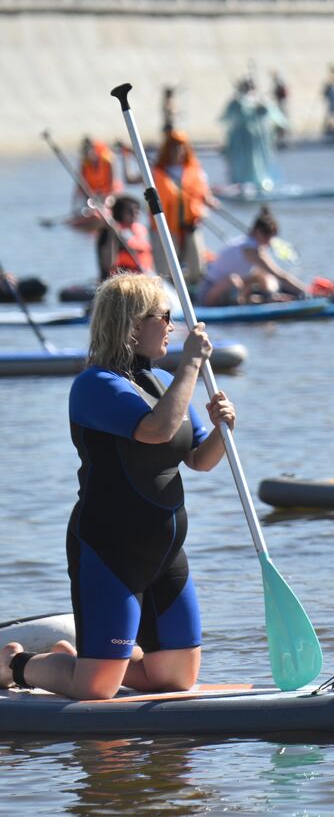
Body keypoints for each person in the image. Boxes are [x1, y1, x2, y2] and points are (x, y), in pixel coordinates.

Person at [0, 273, 234, 700]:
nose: (171, 325)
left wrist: (223, 428)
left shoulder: (161, 384)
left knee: (176, 678)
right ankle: (17, 664)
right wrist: (191, 365)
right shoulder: (95, 385)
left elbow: (200, 461)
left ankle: (80, 658)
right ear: (132, 324)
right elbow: (155, 431)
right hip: (110, 550)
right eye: (164, 316)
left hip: (165, 552)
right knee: (96, 691)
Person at [124, 131, 215, 286]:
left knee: (196, 267)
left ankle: (188, 293)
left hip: (189, 226)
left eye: (181, 148)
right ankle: (167, 295)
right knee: (163, 270)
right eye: (174, 148)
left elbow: (205, 196)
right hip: (163, 227)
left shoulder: (195, 171)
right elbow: (130, 180)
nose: (178, 152)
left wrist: (210, 204)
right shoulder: (156, 171)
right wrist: (126, 156)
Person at [198, 207, 308, 306]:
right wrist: (307, 291)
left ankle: (268, 298)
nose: (269, 243)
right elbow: (280, 275)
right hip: (208, 295)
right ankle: (267, 300)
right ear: (259, 232)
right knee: (234, 280)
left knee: (261, 275)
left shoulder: (249, 243)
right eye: (268, 238)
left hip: (226, 289)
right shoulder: (250, 250)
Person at [220, 78, 287, 192]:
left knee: (258, 161)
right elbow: (228, 117)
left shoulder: (261, 101)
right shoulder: (237, 101)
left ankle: (261, 181)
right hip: (241, 139)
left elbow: (274, 116)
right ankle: (241, 182)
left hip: (258, 140)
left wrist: (261, 107)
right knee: (242, 161)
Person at [97, 195, 154, 279]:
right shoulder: (110, 232)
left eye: (136, 211)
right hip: (121, 279)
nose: (134, 215)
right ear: (120, 213)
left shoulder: (141, 230)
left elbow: (149, 255)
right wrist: (112, 233)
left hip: (144, 277)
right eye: (130, 212)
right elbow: (108, 264)